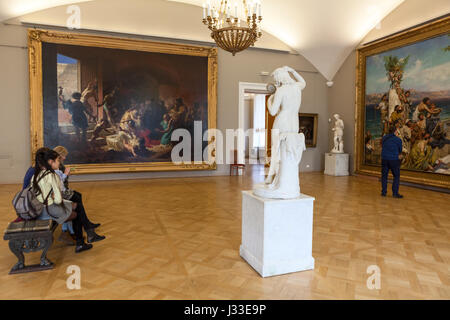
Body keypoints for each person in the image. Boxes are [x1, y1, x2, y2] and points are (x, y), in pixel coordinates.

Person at [31, 148, 92, 253]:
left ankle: (83, 237)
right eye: (57, 160)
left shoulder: (36, 174)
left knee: (76, 205)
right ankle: (80, 243)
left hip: (40, 208)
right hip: (50, 209)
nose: (59, 163)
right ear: (51, 162)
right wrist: (55, 196)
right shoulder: (52, 176)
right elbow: (58, 200)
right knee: (76, 213)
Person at [53, 146, 105, 244]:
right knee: (77, 202)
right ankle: (87, 231)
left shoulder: (54, 168)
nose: (64, 158)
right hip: (57, 197)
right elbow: (59, 184)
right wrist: (66, 174)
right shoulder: (54, 169)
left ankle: (86, 230)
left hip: (59, 194)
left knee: (78, 197)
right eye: (63, 156)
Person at [380, 125, 403, 198]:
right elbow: (400, 150)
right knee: (396, 176)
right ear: (395, 131)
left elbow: (382, 146)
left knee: (384, 176)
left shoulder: (384, 138)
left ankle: (384, 192)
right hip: (393, 159)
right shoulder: (398, 140)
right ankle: (395, 193)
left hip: (384, 158)